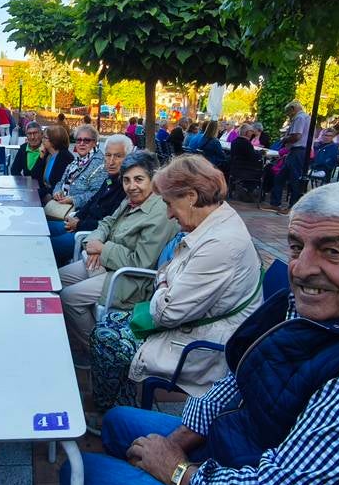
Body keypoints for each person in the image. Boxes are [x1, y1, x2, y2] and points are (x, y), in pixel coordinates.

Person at [64, 181, 339, 485]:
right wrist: (178, 441)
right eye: (297, 246)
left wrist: (176, 471)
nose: (302, 268)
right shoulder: (322, 306)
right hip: (256, 444)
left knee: (82, 472)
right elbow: (239, 378)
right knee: (118, 423)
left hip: (267, 471)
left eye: (332, 250)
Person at [89, 156, 262, 421]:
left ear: (191, 197)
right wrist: (166, 282)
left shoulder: (219, 244)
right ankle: (122, 407)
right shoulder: (214, 222)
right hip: (193, 324)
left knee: (106, 338)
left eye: (169, 203)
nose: (169, 214)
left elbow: (166, 312)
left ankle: (112, 415)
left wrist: (163, 283)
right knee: (108, 325)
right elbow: (166, 272)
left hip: (203, 346)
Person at [58, 151, 180, 355]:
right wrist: (95, 241)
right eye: (126, 180)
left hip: (129, 281)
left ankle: (95, 353)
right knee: (57, 279)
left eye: (139, 179)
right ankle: (75, 334)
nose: (131, 186)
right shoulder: (132, 200)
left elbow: (141, 262)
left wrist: (103, 249)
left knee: (69, 298)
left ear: (153, 179)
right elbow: (107, 222)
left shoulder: (159, 213)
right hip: (107, 265)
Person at [49, 135, 132, 264]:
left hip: (89, 236)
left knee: (46, 245)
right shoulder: (111, 178)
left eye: (118, 156)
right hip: (80, 224)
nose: (111, 161)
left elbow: (109, 223)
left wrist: (78, 224)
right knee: (44, 229)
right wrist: (77, 217)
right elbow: (93, 200)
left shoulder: (127, 186)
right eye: (108, 155)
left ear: (128, 158)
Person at [263, 101, 309, 214]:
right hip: (297, 151)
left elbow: (296, 136)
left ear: (293, 109)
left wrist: (285, 139)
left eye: (288, 112)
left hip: (298, 151)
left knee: (294, 179)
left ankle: (292, 207)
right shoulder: (306, 117)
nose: (288, 115)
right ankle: (275, 203)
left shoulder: (299, 118)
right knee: (280, 177)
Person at [53, 125, 107, 209]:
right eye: (79, 140)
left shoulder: (99, 163)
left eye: (86, 140)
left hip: (80, 212)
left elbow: (97, 193)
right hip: (62, 207)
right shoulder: (76, 161)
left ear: (95, 142)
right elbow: (60, 182)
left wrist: (73, 199)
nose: (82, 143)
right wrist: (57, 192)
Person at [41, 124, 75, 203]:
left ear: (54, 140)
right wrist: (41, 156)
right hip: (46, 193)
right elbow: (36, 175)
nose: (42, 140)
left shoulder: (65, 157)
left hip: (56, 197)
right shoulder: (48, 154)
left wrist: (39, 193)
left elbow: (58, 184)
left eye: (45, 137)